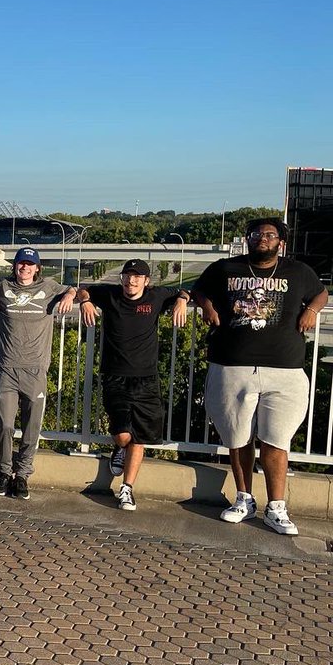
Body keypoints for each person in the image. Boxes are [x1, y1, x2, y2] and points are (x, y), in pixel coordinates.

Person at [191, 218, 327, 536]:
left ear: (281, 241)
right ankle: (244, 499)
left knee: (276, 441)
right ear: (248, 239)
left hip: (286, 369)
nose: (261, 239)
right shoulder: (225, 268)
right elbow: (198, 290)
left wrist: (313, 310)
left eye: (269, 235)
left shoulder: (298, 271)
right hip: (231, 366)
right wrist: (208, 307)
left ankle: (276, 508)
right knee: (238, 438)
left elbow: (320, 293)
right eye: (256, 234)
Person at [77, 259, 189, 511]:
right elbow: (83, 289)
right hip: (114, 375)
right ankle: (119, 447)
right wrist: (85, 301)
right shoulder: (110, 295)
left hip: (146, 378)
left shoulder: (157, 296)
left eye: (138, 276)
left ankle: (126, 488)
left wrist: (182, 300)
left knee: (139, 435)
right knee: (123, 434)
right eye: (128, 276)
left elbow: (183, 290)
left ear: (147, 281)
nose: (132, 280)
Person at [0, 247, 76, 499]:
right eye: (21, 263)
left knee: (31, 426)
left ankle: (22, 475)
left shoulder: (49, 287)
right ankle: (5, 472)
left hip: (35, 369)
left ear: (37, 268)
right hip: (6, 367)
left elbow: (73, 288)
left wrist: (69, 296)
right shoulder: (1, 286)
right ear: (15, 266)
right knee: (5, 425)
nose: (25, 268)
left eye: (30, 264)